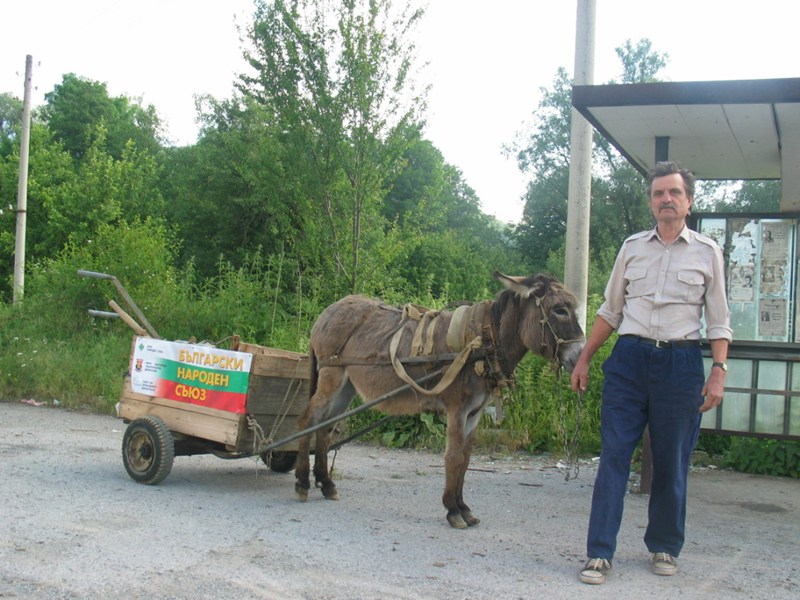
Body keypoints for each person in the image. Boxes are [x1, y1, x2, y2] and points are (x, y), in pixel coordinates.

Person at [570, 161, 732, 585]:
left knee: (673, 459)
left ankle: (664, 545)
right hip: (629, 359)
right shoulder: (632, 248)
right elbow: (610, 310)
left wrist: (718, 370)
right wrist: (585, 357)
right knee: (614, 456)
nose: (666, 200)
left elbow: (718, 320)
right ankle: (599, 552)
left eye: (674, 193)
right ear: (651, 201)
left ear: (689, 201)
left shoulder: (707, 252)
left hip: (680, 365)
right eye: (659, 193)